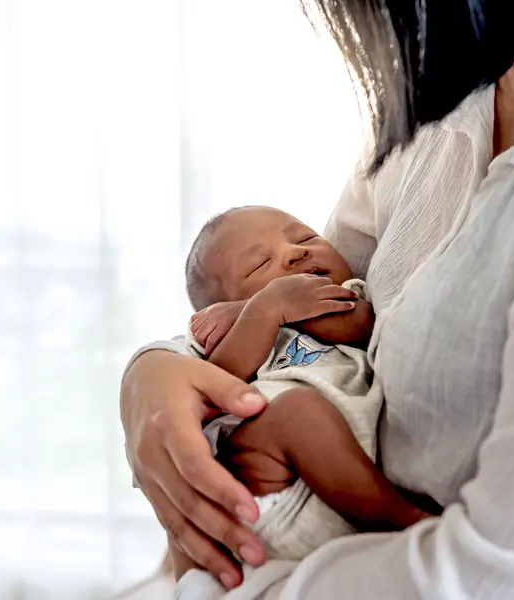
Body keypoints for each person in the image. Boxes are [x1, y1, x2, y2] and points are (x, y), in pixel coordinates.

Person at [120, 1, 514, 597]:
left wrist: (212, 590)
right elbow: (275, 302)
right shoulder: (441, 103)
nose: (297, 253)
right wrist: (153, 372)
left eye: (299, 240)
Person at [177, 205, 433, 570]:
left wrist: (281, 305)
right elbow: (220, 384)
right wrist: (260, 312)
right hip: (268, 483)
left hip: (343, 493)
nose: (295, 252)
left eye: (305, 238)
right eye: (259, 265)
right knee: (298, 412)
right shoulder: (224, 330)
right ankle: (405, 521)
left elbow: (360, 324)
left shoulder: (347, 296)